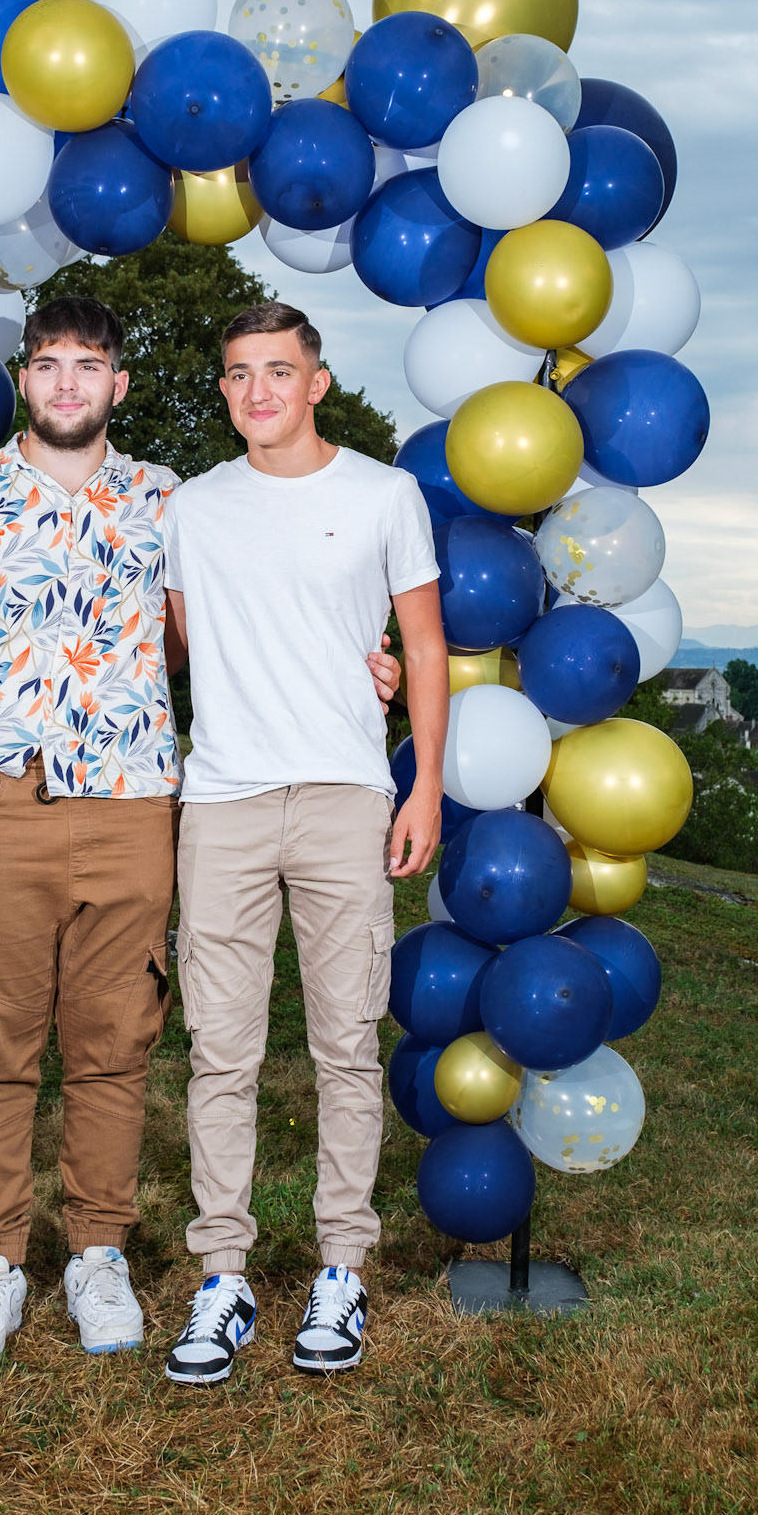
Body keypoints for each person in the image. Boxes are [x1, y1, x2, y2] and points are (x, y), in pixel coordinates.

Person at [0, 294, 401, 1373]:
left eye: (88, 365)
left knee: (116, 1045)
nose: (67, 382)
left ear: (117, 384)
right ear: (25, 378)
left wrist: (360, 664)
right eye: (47, 363)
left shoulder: (170, 502)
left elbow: (235, 624)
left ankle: (98, 1253)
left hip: (135, 807)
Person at [161, 301, 448, 1385]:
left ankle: (341, 1269)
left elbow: (425, 647)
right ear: (224, 390)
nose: (259, 391)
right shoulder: (193, 507)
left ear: (317, 382)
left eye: (278, 370)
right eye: (239, 373)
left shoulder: (384, 495)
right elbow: (177, 644)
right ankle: (222, 1276)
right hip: (223, 801)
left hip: (345, 794)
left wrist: (423, 784)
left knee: (346, 1046)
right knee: (219, 1050)